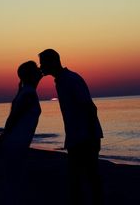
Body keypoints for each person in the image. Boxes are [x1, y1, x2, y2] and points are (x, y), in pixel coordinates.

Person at [38, 49, 104, 205]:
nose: (41, 67)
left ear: (53, 62)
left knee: (86, 177)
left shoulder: (70, 79)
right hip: (77, 137)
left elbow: (90, 107)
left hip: (85, 138)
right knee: (80, 178)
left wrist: (91, 135)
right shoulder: (61, 81)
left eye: (43, 63)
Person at [0, 60, 42, 204]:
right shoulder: (28, 94)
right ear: (30, 75)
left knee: (13, 180)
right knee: (15, 181)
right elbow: (14, 117)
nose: (39, 70)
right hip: (16, 143)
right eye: (36, 69)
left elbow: (13, 116)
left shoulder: (26, 92)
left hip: (16, 142)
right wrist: (4, 136)